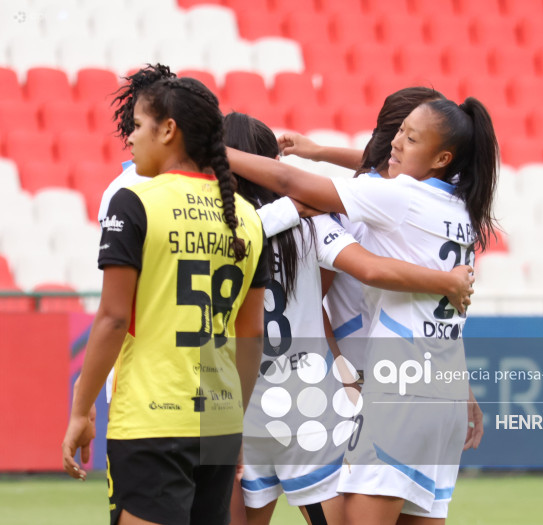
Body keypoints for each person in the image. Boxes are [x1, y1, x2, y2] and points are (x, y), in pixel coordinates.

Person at [226, 96, 499, 523]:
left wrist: (210, 150)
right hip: (417, 393)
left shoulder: (391, 200)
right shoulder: (461, 204)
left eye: (408, 137)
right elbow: (376, 188)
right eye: (398, 132)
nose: (395, 143)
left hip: (380, 393)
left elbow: (295, 180)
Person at [62, 71, 269, 525]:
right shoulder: (249, 218)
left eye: (136, 125)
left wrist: (81, 408)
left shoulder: (134, 202)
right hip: (219, 421)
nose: (131, 138)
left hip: (153, 420)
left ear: (168, 130)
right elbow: (251, 334)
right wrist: (235, 422)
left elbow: (114, 319)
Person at [279, 87, 484, 452]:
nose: (403, 143)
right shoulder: (358, 205)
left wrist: (458, 382)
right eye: (404, 132)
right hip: (360, 371)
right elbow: (314, 299)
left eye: (414, 135)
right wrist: (342, 374)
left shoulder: (418, 200)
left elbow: (442, 309)